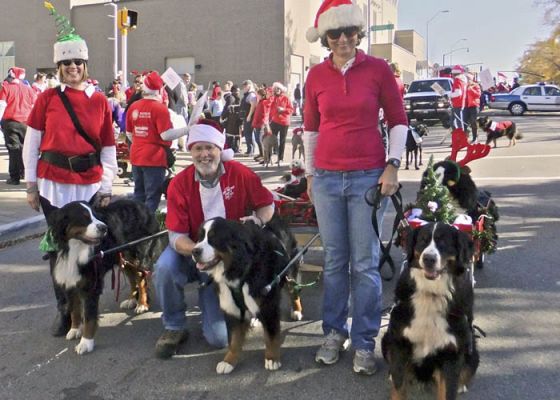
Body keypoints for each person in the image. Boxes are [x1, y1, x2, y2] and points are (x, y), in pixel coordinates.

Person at [304, 0, 408, 375]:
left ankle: (364, 341)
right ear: (326, 37)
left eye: (349, 32)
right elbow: (311, 129)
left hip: (368, 177)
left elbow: (398, 120)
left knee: (364, 264)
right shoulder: (316, 76)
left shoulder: (378, 69)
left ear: (358, 33)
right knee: (334, 262)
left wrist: (392, 165)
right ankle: (334, 332)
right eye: (335, 34)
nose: (343, 40)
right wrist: (312, 175)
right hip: (328, 179)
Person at [22, 7, 117, 337]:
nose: (72, 68)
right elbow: (32, 142)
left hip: (88, 185)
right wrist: (32, 185)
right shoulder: (46, 98)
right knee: (57, 247)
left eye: (77, 63)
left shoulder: (100, 101)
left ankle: (86, 304)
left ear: (85, 66)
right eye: (66, 64)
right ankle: (65, 309)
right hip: (52, 186)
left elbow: (107, 146)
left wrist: (106, 185)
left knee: (88, 248)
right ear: (59, 67)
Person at [153, 119, 275, 359]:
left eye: (209, 147)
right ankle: (174, 326)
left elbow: (267, 204)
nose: (204, 154)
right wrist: (200, 252)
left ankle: (221, 303)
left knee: (218, 339)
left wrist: (258, 222)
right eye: (198, 148)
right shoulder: (179, 183)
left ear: (220, 149)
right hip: (193, 252)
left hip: (226, 260)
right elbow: (176, 236)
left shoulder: (240, 173)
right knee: (165, 266)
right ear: (190, 151)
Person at [126, 71, 173, 213]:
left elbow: (129, 133)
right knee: (152, 196)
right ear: (159, 90)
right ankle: (147, 227)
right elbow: (166, 135)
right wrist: (187, 129)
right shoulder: (160, 109)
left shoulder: (134, 106)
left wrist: (141, 142)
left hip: (136, 155)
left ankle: (135, 225)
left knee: (138, 194)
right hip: (154, 158)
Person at [0, 67, 37, 185]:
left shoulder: (6, 88)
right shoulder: (28, 89)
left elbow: (2, 105)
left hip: (10, 122)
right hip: (26, 123)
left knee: (13, 149)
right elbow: (34, 106)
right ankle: (23, 172)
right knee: (24, 149)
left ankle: (14, 177)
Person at [269, 81, 293, 164]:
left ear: (281, 90)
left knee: (282, 141)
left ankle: (280, 158)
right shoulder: (272, 98)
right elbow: (268, 107)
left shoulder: (285, 98)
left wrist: (284, 110)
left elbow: (291, 110)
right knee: (272, 140)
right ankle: (269, 157)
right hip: (274, 121)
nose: (276, 90)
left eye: (278, 89)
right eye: (275, 89)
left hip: (284, 122)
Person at [251, 87, 271, 162]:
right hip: (257, 123)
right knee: (257, 139)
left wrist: (261, 123)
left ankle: (265, 157)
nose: (257, 96)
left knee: (261, 140)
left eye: (258, 95)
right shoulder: (260, 102)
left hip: (261, 124)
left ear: (262, 95)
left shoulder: (264, 102)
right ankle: (261, 154)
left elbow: (263, 114)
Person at [240, 80, 257, 155]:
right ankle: (250, 150)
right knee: (248, 133)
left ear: (249, 86)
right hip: (247, 116)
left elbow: (253, 105)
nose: (244, 87)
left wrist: (249, 116)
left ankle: (250, 150)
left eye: (245, 86)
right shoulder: (247, 94)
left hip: (249, 117)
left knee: (248, 133)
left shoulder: (251, 95)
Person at [449, 64, 468, 132]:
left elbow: (458, 93)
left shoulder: (458, 80)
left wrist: (449, 95)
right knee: (455, 122)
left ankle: (461, 138)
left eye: (452, 74)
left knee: (457, 123)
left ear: (455, 73)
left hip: (457, 104)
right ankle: (458, 137)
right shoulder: (463, 81)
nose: (452, 75)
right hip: (459, 103)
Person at [465, 73, 482, 143]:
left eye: (468, 79)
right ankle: (466, 137)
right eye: (466, 79)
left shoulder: (476, 86)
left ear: (471, 79)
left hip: (474, 106)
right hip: (466, 107)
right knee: (465, 122)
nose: (467, 81)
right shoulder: (465, 86)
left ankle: (475, 138)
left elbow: (478, 95)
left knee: (473, 122)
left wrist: (471, 89)